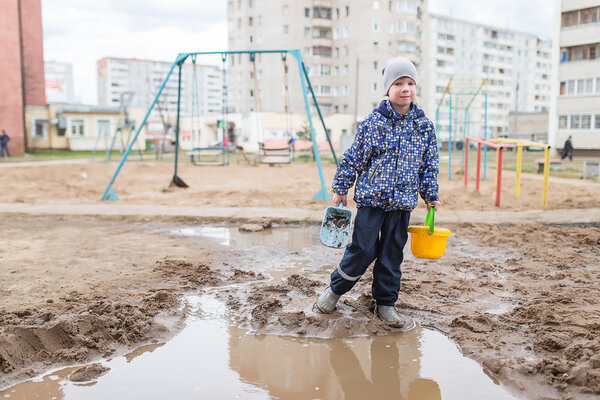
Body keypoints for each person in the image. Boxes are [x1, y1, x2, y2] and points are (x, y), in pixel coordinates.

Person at [314, 56, 441, 328]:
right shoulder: (374, 122)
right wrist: (341, 187)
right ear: (387, 89)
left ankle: (385, 304)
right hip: (372, 201)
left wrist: (430, 195)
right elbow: (353, 157)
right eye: (398, 83)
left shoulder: (424, 126)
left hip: (402, 204)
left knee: (392, 255)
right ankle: (334, 291)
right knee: (362, 249)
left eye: (410, 83)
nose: (405, 88)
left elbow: (429, 164)